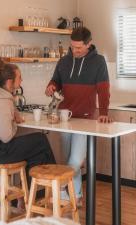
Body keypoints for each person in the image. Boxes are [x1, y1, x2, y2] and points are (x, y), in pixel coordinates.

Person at [0, 57, 56, 208]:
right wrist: (13, 121)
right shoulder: (4, 102)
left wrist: (14, 114)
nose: (22, 80)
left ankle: (24, 198)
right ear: (9, 82)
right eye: (19, 77)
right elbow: (6, 137)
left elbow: (5, 113)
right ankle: (58, 184)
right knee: (40, 139)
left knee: (37, 153)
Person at [45, 27, 112, 204]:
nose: (75, 51)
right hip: (65, 117)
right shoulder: (64, 61)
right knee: (68, 161)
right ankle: (77, 196)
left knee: (74, 160)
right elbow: (56, 82)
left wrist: (104, 112)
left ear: (89, 44)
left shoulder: (99, 61)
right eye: (73, 47)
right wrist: (51, 86)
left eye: (79, 48)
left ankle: (71, 195)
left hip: (86, 119)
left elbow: (103, 90)